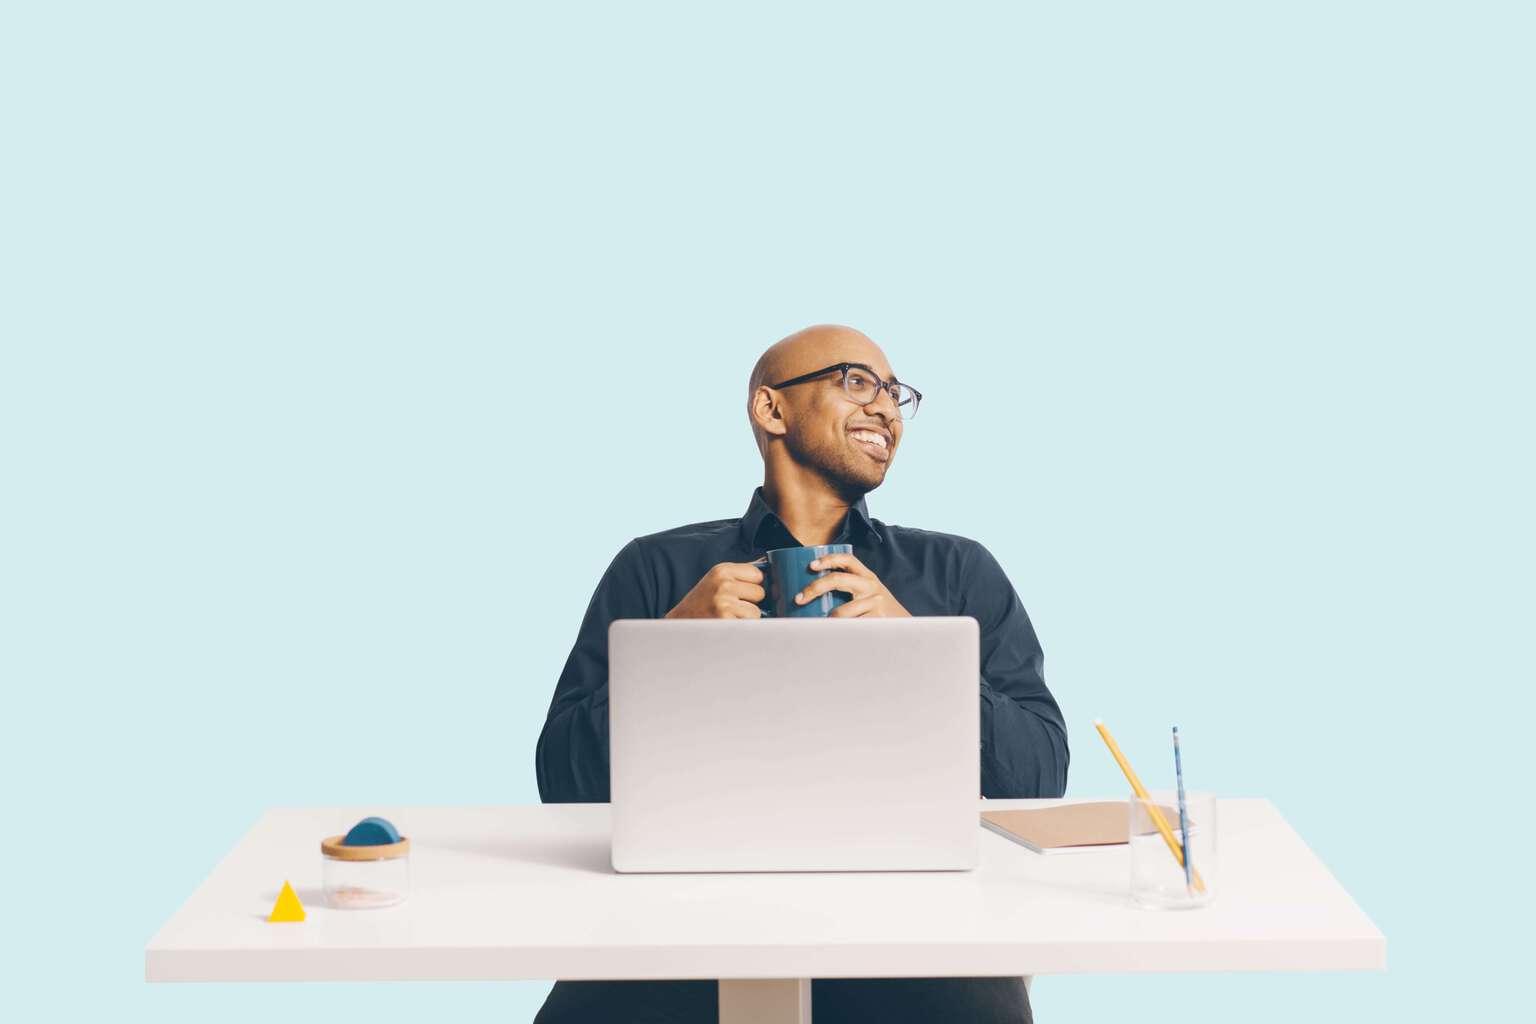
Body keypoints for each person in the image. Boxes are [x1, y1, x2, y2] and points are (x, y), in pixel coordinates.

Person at [533, 324, 1069, 1024]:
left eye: (896, 393)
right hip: (680, 924)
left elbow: (1039, 781)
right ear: (771, 410)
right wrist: (673, 650)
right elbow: (561, 785)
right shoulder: (655, 568)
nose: (885, 407)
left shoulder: (958, 571)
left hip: (918, 932)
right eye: (856, 381)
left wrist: (915, 648)